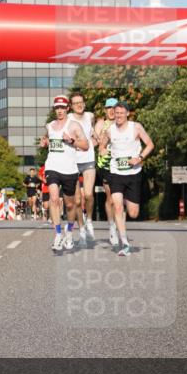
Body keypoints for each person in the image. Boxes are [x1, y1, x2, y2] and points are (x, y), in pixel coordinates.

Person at [100, 101, 154, 257]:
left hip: (133, 174)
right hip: (116, 173)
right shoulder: (110, 130)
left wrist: (140, 157)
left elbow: (150, 144)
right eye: (116, 113)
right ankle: (124, 243)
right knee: (117, 206)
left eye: (121, 113)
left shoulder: (136, 127)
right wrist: (103, 150)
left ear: (127, 114)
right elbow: (102, 146)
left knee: (133, 212)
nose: (118, 116)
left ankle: (124, 200)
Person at [40, 95, 88, 251]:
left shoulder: (74, 125)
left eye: (62, 108)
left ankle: (69, 233)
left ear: (67, 108)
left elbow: (86, 145)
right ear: (54, 109)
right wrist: (44, 143)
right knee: (54, 199)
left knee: (69, 204)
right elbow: (47, 140)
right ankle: (58, 234)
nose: (59, 111)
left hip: (69, 169)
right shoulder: (49, 125)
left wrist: (72, 141)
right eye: (57, 108)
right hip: (52, 167)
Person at [68, 92, 97, 243]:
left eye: (81, 102)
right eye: (75, 103)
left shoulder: (90, 116)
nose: (79, 105)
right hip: (72, 161)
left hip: (88, 159)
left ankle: (90, 220)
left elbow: (92, 132)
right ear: (71, 106)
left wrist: (96, 139)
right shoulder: (68, 119)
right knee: (77, 200)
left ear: (84, 104)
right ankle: (81, 230)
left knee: (88, 194)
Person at [93, 98, 118, 243]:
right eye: (108, 108)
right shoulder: (102, 123)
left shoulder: (122, 124)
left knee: (119, 199)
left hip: (120, 165)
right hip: (106, 165)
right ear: (105, 110)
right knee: (111, 197)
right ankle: (112, 226)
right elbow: (94, 142)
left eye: (114, 107)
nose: (111, 110)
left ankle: (118, 224)